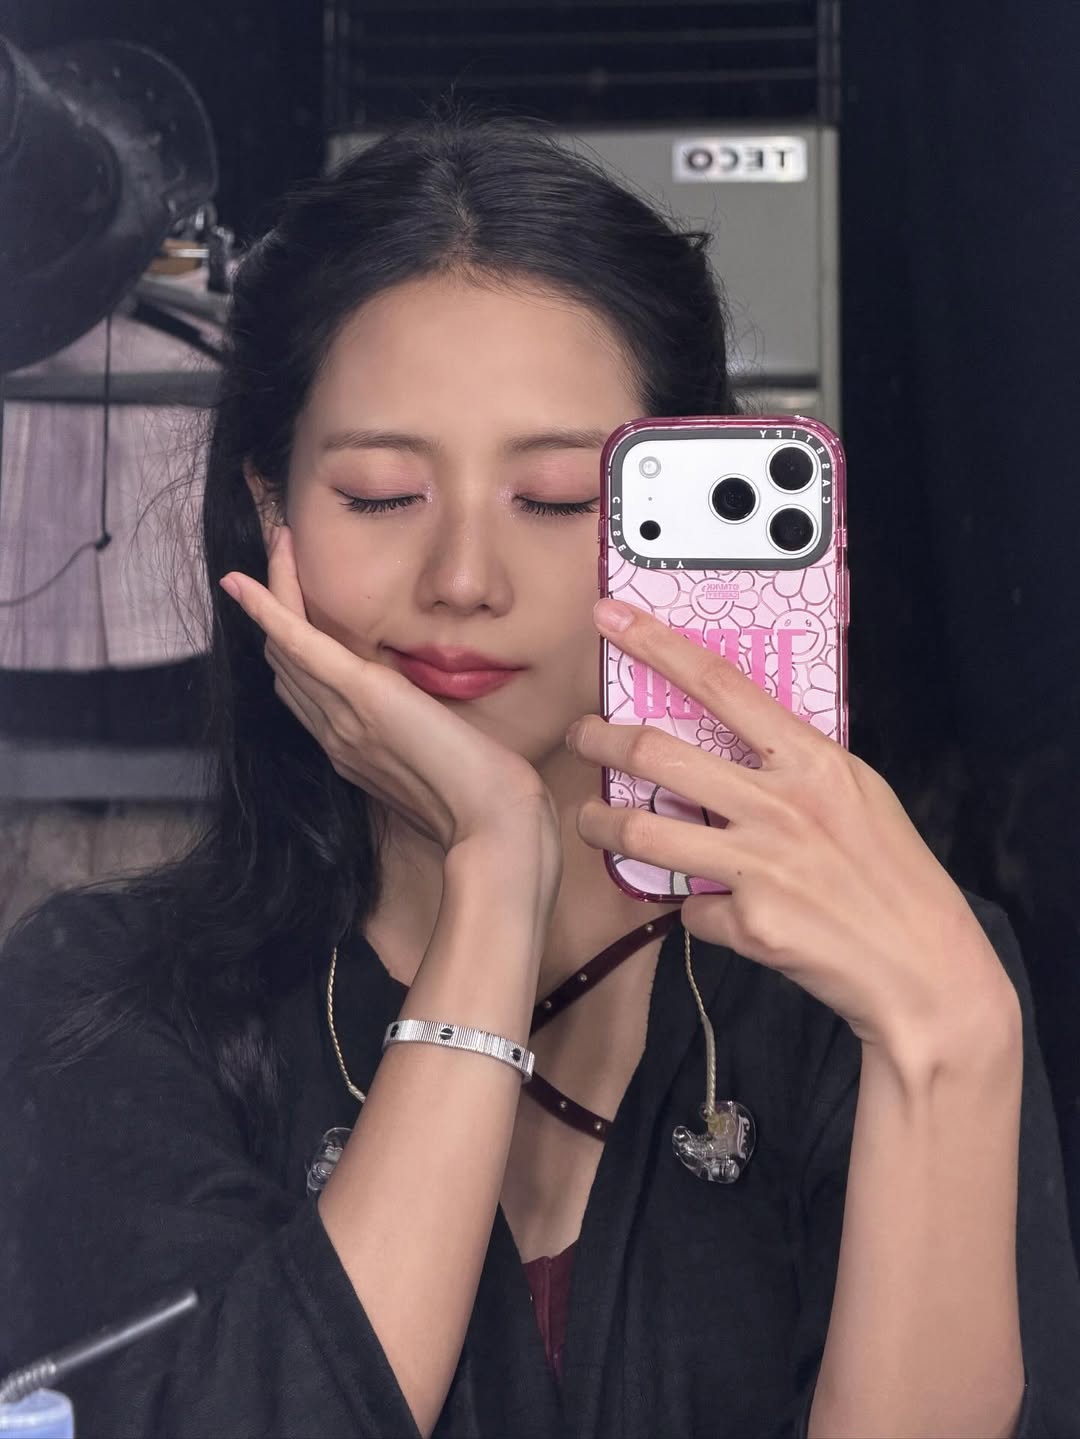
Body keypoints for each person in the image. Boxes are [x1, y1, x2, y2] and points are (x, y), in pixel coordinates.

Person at [1, 112, 1079, 1439]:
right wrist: (495, 873)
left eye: (561, 498)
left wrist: (950, 1042)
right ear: (271, 513)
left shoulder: (889, 979)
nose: (464, 579)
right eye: (382, 494)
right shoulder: (104, 1001)